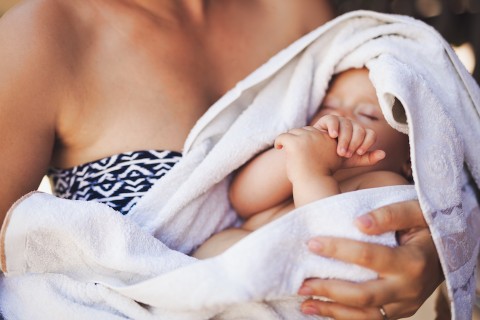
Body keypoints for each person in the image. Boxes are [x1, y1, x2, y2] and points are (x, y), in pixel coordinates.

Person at [0, 1, 443, 319]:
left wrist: (438, 249)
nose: (338, 115)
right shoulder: (42, 32)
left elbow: (430, 185)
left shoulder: (299, 13)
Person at [193, 68, 411, 259]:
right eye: (327, 106)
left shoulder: (387, 185)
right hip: (218, 272)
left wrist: (313, 174)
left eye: (367, 115)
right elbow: (241, 199)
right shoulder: (297, 163)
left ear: (411, 158)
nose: (339, 116)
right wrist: (296, 150)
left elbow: (331, 240)